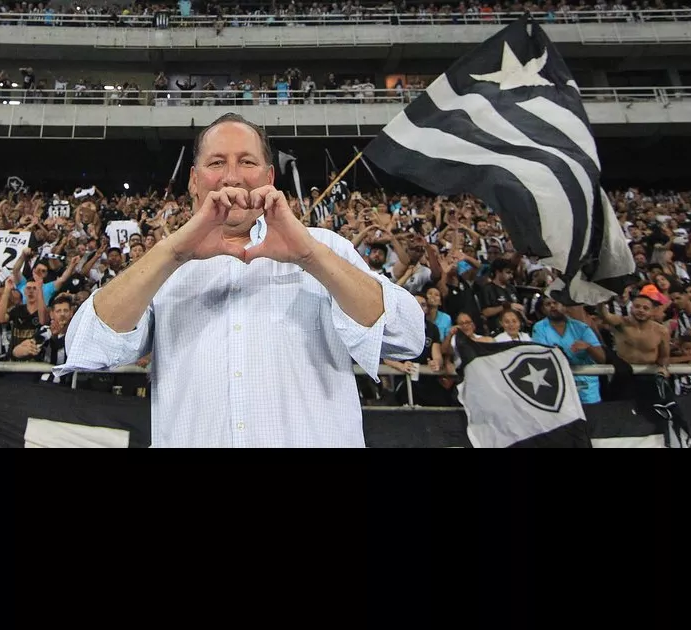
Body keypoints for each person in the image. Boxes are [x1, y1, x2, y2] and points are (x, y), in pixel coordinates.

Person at [54, 112, 424, 447]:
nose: (231, 176)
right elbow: (87, 346)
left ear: (268, 178)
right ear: (195, 181)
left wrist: (310, 257)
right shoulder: (164, 264)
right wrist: (174, 253)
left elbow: (407, 336)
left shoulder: (323, 247)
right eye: (217, 163)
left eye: (246, 162)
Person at [595, 291, 691, 447]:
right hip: (623, 375)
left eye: (645, 308)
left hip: (649, 376)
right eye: (637, 306)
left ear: (653, 311)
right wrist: (599, 298)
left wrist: (663, 368)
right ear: (631, 308)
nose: (640, 310)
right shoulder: (621, 323)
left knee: (666, 411)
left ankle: (678, 442)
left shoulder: (661, 331)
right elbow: (604, 315)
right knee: (619, 412)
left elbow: (664, 356)